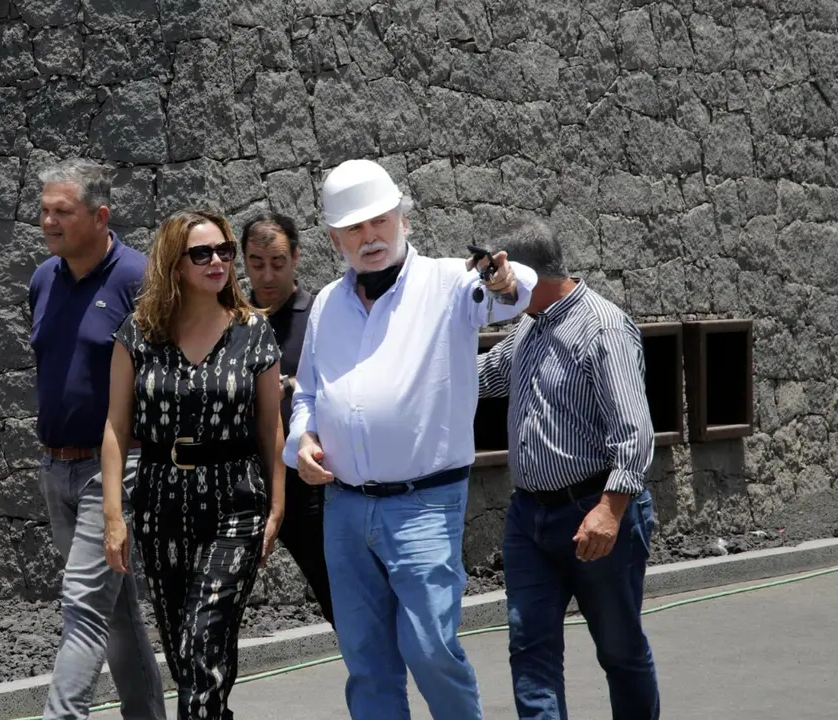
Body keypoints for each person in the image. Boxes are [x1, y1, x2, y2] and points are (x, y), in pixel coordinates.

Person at [284, 159, 538, 719]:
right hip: (344, 508)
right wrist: (301, 442)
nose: (369, 236)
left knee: (429, 649)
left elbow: (511, 292)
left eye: (379, 220)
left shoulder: (450, 283)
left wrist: (504, 278)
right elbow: (306, 395)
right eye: (354, 228)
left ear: (402, 218)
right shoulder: (327, 304)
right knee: (366, 661)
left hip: (423, 505)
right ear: (334, 238)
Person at [101, 208, 286, 720]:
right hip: (161, 502)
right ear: (173, 264)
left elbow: (271, 428)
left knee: (206, 635)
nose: (217, 261)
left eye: (225, 250)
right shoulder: (137, 334)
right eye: (201, 253)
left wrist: (277, 506)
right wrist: (114, 516)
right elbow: (117, 428)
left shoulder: (254, 333)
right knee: (187, 655)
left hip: (237, 503)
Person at [477, 219, 660, 720]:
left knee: (619, 651)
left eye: (499, 274)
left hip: (595, 515)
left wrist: (610, 508)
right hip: (529, 520)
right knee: (531, 653)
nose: (494, 286)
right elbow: (481, 378)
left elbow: (634, 431)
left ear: (525, 274)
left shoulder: (603, 327)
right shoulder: (529, 327)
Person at [27, 158, 166, 720]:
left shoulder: (138, 279)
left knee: (83, 606)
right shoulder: (42, 278)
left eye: (62, 211)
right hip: (54, 468)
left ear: (101, 215)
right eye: (44, 211)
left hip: (116, 468)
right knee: (114, 612)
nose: (48, 222)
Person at [240, 212, 334, 627]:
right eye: (256, 262)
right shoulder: (234, 321)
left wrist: (292, 384)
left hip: (307, 486)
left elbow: (343, 385)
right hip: (246, 483)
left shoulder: (319, 317)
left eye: (277, 262)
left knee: (337, 596)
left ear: (296, 257)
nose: (267, 274)